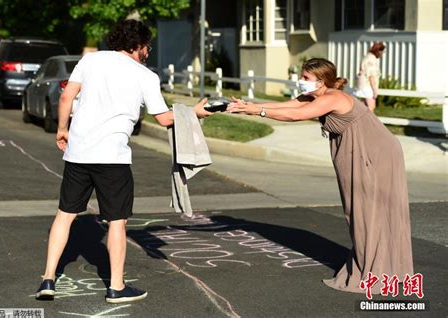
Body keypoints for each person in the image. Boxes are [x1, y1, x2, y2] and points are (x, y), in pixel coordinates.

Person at [35, 19, 213, 304]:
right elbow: (165, 118)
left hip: (78, 153)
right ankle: (116, 287)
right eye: (147, 47)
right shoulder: (145, 76)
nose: (148, 52)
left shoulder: (90, 60)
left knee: (64, 215)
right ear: (137, 46)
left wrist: (61, 129)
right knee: (117, 222)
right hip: (112, 158)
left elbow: (67, 95)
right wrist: (196, 112)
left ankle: (47, 279)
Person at [229, 58, 413, 294]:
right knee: (359, 211)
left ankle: (377, 272)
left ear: (322, 80)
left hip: (374, 154)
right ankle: (382, 266)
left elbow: (297, 116)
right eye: (302, 76)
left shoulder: (333, 97)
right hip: (358, 151)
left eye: (306, 78)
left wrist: (258, 111)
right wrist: (248, 106)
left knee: (368, 211)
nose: (301, 82)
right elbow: (289, 106)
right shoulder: (316, 96)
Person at [355, 42, 385, 112]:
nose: (382, 54)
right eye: (382, 52)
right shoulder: (371, 59)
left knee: (362, 107)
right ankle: (368, 122)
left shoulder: (367, 57)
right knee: (371, 107)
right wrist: (374, 90)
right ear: (378, 51)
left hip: (361, 85)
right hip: (367, 86)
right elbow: (371, 76)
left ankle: (361, 122)